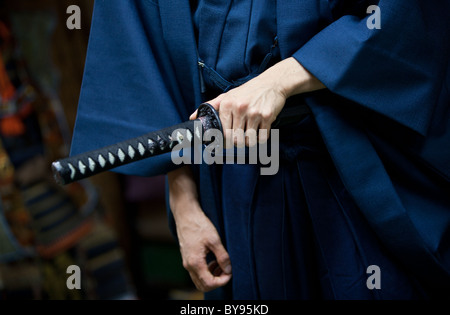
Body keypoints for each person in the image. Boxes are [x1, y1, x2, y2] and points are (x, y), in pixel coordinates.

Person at [70, 0, 450, 299]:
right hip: (228, 174)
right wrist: (183, 201)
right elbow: (142, 45)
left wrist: (283, 79)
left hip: (351, 158)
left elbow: (408, 14)